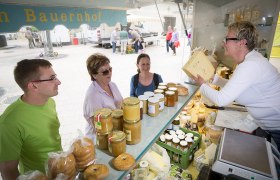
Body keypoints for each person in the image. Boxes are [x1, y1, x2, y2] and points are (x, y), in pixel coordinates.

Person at [193, 21, 280, 151]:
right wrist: (214, 79)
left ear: (242, 42)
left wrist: (202, 85)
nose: (224, 43)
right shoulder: (250, 61)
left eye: (227, 39)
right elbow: (237, 87)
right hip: (267, 127)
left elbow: (221, 99)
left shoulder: (250, 65)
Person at [0, 59, 62, 179]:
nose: (59, 82)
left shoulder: (49, 102)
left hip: (62, 172)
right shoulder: (9, 122)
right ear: (33, 85)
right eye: (52, 78)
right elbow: (8, 170)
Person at [83, 53, 123, 142]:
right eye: (105, 72)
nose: (109, 73)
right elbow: (98, 126)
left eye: (110, 69)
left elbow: (121, 105)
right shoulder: (93, 95)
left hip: (114, 132)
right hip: (100, 140)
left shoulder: (112, 85)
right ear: (94, 75)